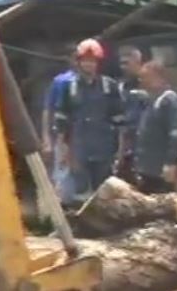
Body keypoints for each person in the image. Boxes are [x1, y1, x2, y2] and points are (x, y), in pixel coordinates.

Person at [53, 39, 124, 202]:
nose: (89, 65)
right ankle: (83, 224)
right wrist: (62, 149)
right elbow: (61, 120)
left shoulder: (109, 86)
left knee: (105, 191)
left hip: (104, 147)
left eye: (92, 61)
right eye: (85, 61)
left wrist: (120, 149)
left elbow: (119, 121)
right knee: (80, 192)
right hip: (79, 148)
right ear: (78, 62)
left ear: (98, 63)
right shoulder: (69, 87)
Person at [133, 61, 177, 195]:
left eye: (144, 77)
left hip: (161, 170)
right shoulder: (151, 101)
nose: (141, 81)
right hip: (148, 168)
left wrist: (171, 163)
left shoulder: (170, 101)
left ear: (157, 77)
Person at [42, 46, 77, 203]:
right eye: (76, 57)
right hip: (63, 138)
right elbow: (48, 110)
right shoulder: (61, 81)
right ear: (69, 59)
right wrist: (46, 139)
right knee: (63, 176)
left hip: (84, 138)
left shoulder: (96, 82)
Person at [115, 45, 148, 183]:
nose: (123, 67)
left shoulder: (149, 85)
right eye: (121, 63)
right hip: (125, 145)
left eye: (127, 63)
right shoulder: (119, 88)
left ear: (138, 63)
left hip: (145, 145)